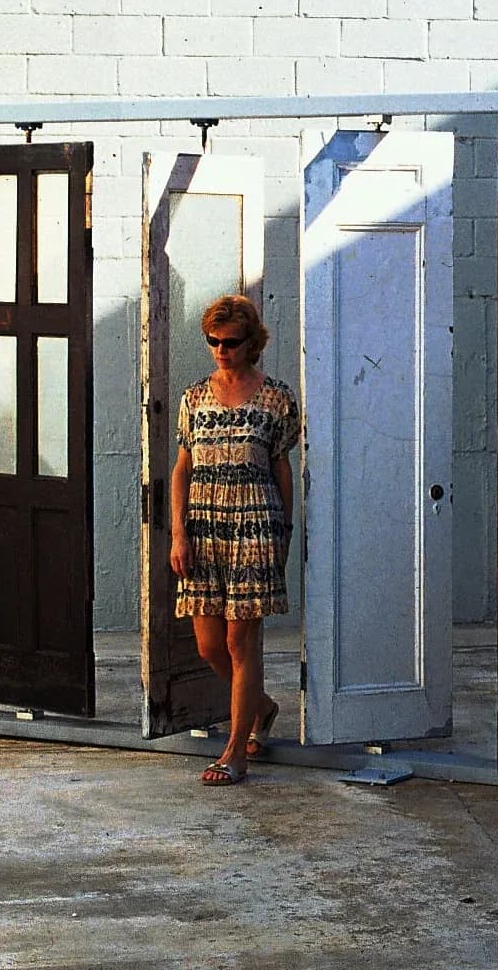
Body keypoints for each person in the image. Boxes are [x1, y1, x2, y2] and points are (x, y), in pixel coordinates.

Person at [170, 294, 299, 786]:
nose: (221, 350)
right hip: (202, 530)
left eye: (231, 342)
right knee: (209, 645)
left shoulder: (276, 399)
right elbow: (182, 468)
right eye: (213, 341)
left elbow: (281, 468)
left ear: (252, 343)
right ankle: (261, 707)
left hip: (255, 526)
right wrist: (178, 532)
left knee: (238, 641)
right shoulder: (194, 398)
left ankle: (235, 750)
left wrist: (283, 532)